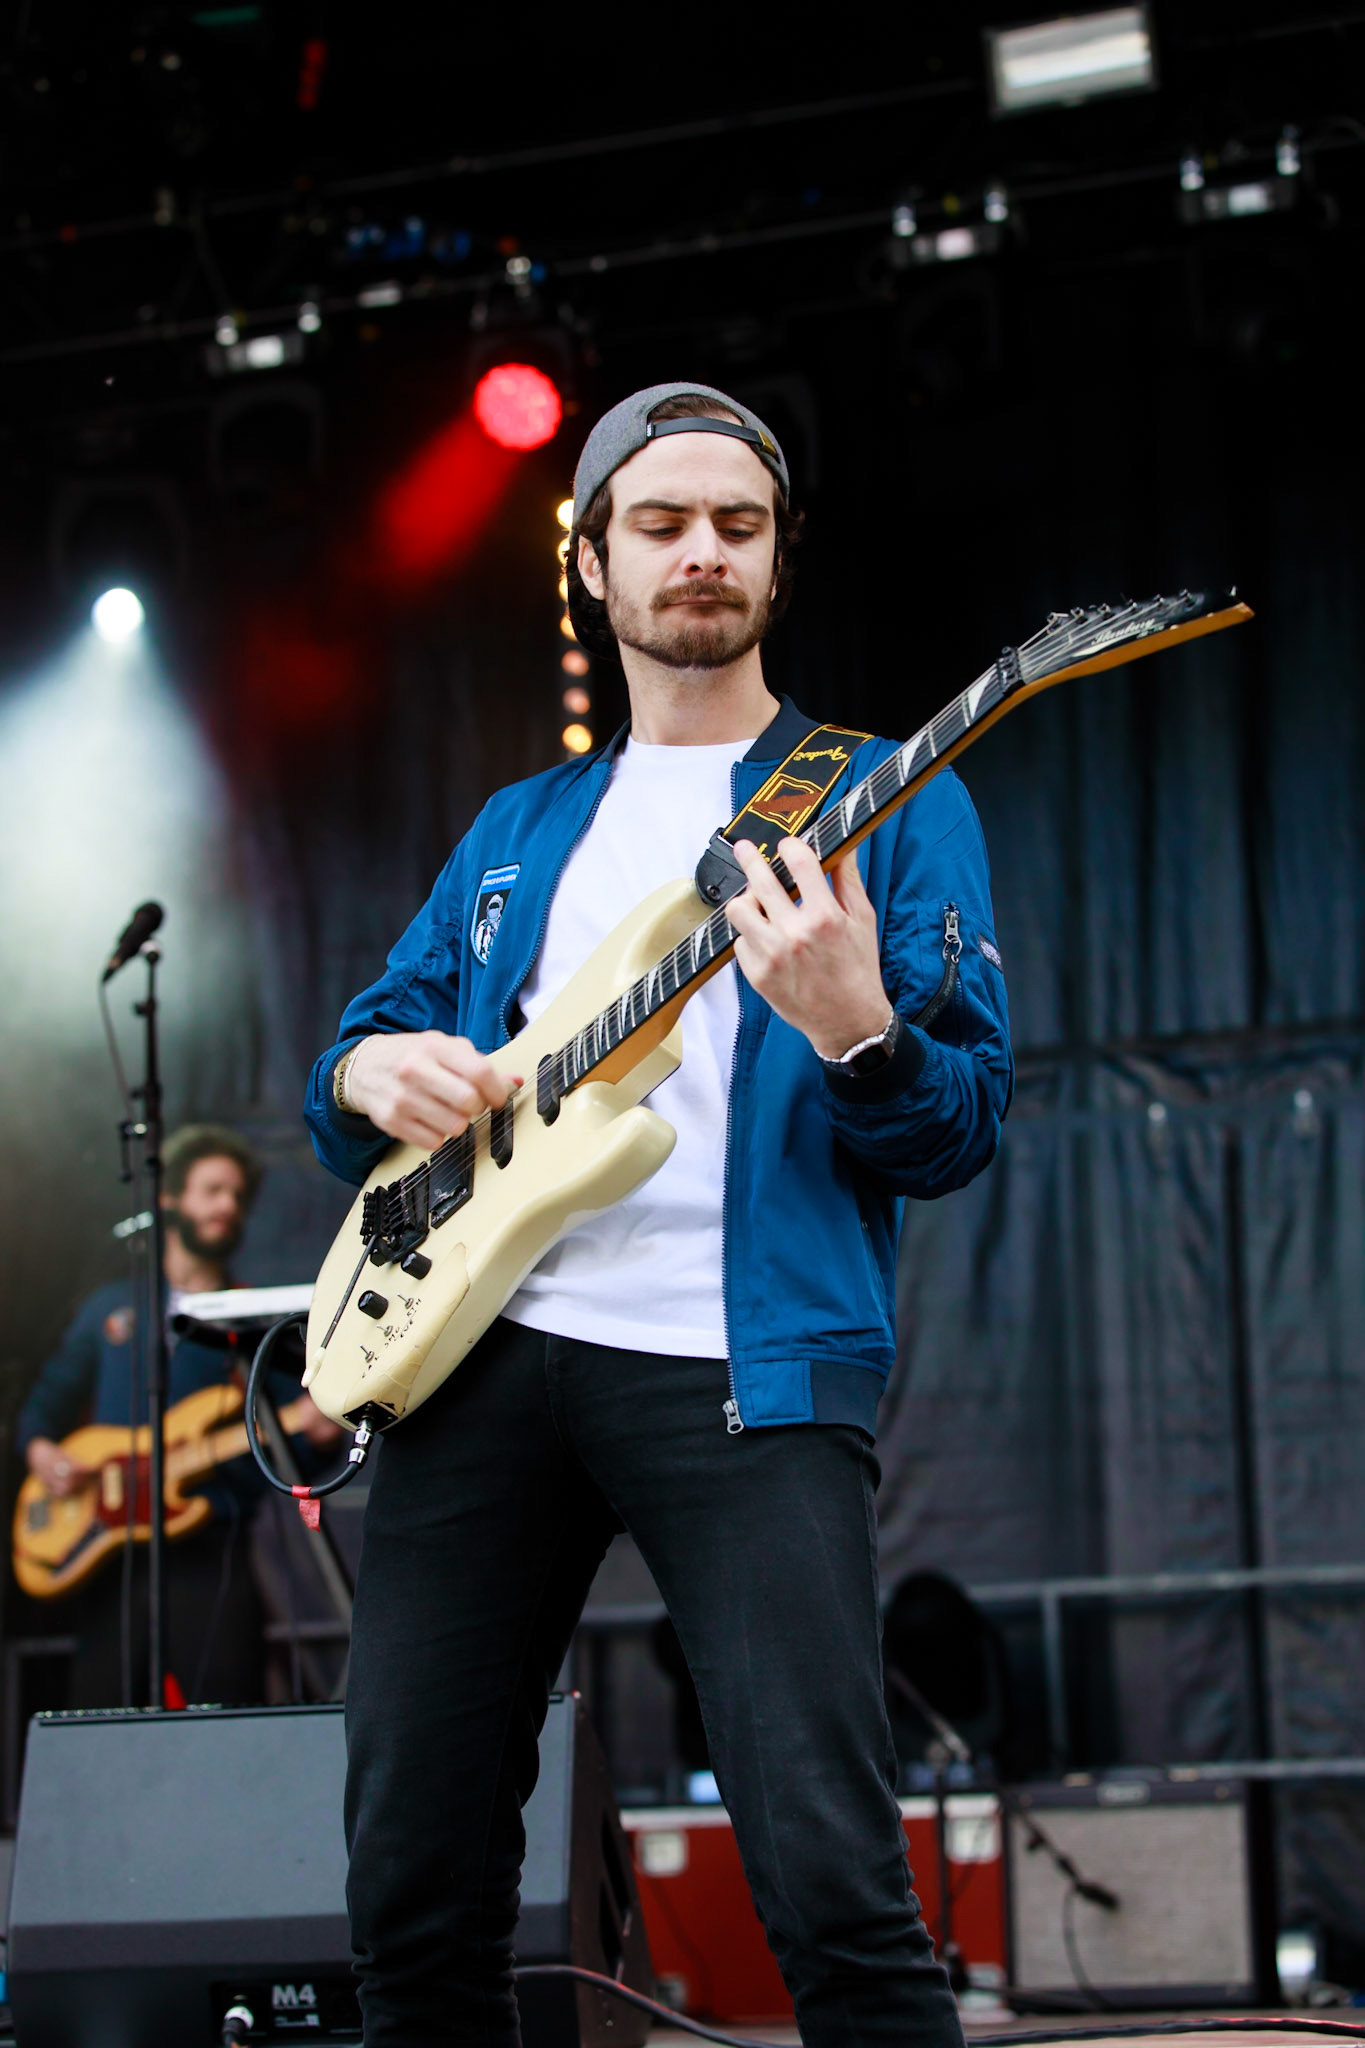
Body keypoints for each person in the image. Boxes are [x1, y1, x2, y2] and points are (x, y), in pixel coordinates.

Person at [305, 383, 1015, 2046]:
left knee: (838, 1889)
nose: (702, 550)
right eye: (663, 521)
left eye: (739, 524)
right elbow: (358, 1044)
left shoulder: (882, 795)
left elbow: (961, 1120)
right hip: (482, 1358)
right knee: (410, 1892)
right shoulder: (515, 833)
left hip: (738, 1368)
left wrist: (856, 1028)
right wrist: (370, 1078)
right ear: (596, 563)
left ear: (778, 559)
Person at [17, 1122, 338, 1707]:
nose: (228, 1207)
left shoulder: (252, 1319)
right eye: (213, 1190)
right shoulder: (110, 1308)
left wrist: (320, 1435)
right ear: (169, 1199)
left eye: (238, 1196)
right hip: (107, 1557)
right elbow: (43, 1407)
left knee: (225, 1714)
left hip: (209, 1548)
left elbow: (299, 1436)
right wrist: (43, 1453)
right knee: (98, 1718)